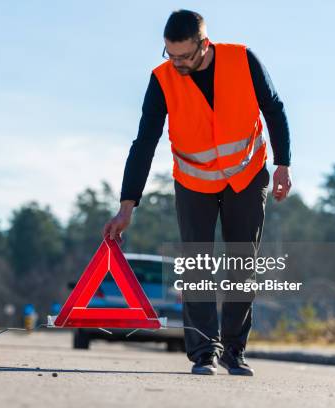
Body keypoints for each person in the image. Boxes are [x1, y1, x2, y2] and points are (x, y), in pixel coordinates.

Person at [103, 9, 292, 376]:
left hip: (246, 176)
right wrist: (127, 206)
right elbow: (144, 143)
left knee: (242, 265)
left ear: (204, 45)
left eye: (185, 56)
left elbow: (274, 107)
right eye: (170, 55)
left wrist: (283, 163)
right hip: (194, 182)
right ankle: (204, 353)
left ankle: (234, 352)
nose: (177, 63)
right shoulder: (162, 80)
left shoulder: (243, 59)